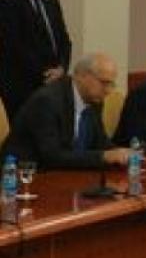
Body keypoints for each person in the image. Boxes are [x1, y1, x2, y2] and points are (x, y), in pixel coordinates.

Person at [2, 53, 131, 170]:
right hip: (26, 175)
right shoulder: (47, 101)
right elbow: (52, 156)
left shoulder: (94, 101)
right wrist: (104, 156)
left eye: (111, 84)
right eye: (104, 83)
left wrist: (122, 153)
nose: (108, 90)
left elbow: (100, 142)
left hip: (66, 174)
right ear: (81, 76)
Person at [0, 0, 72, 119]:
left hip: (54, 88)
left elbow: (64, 40)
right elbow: (14, 46)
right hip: (22, 90)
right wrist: (46, 73)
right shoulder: (6, 0)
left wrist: (61, 68)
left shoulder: (51, 0)